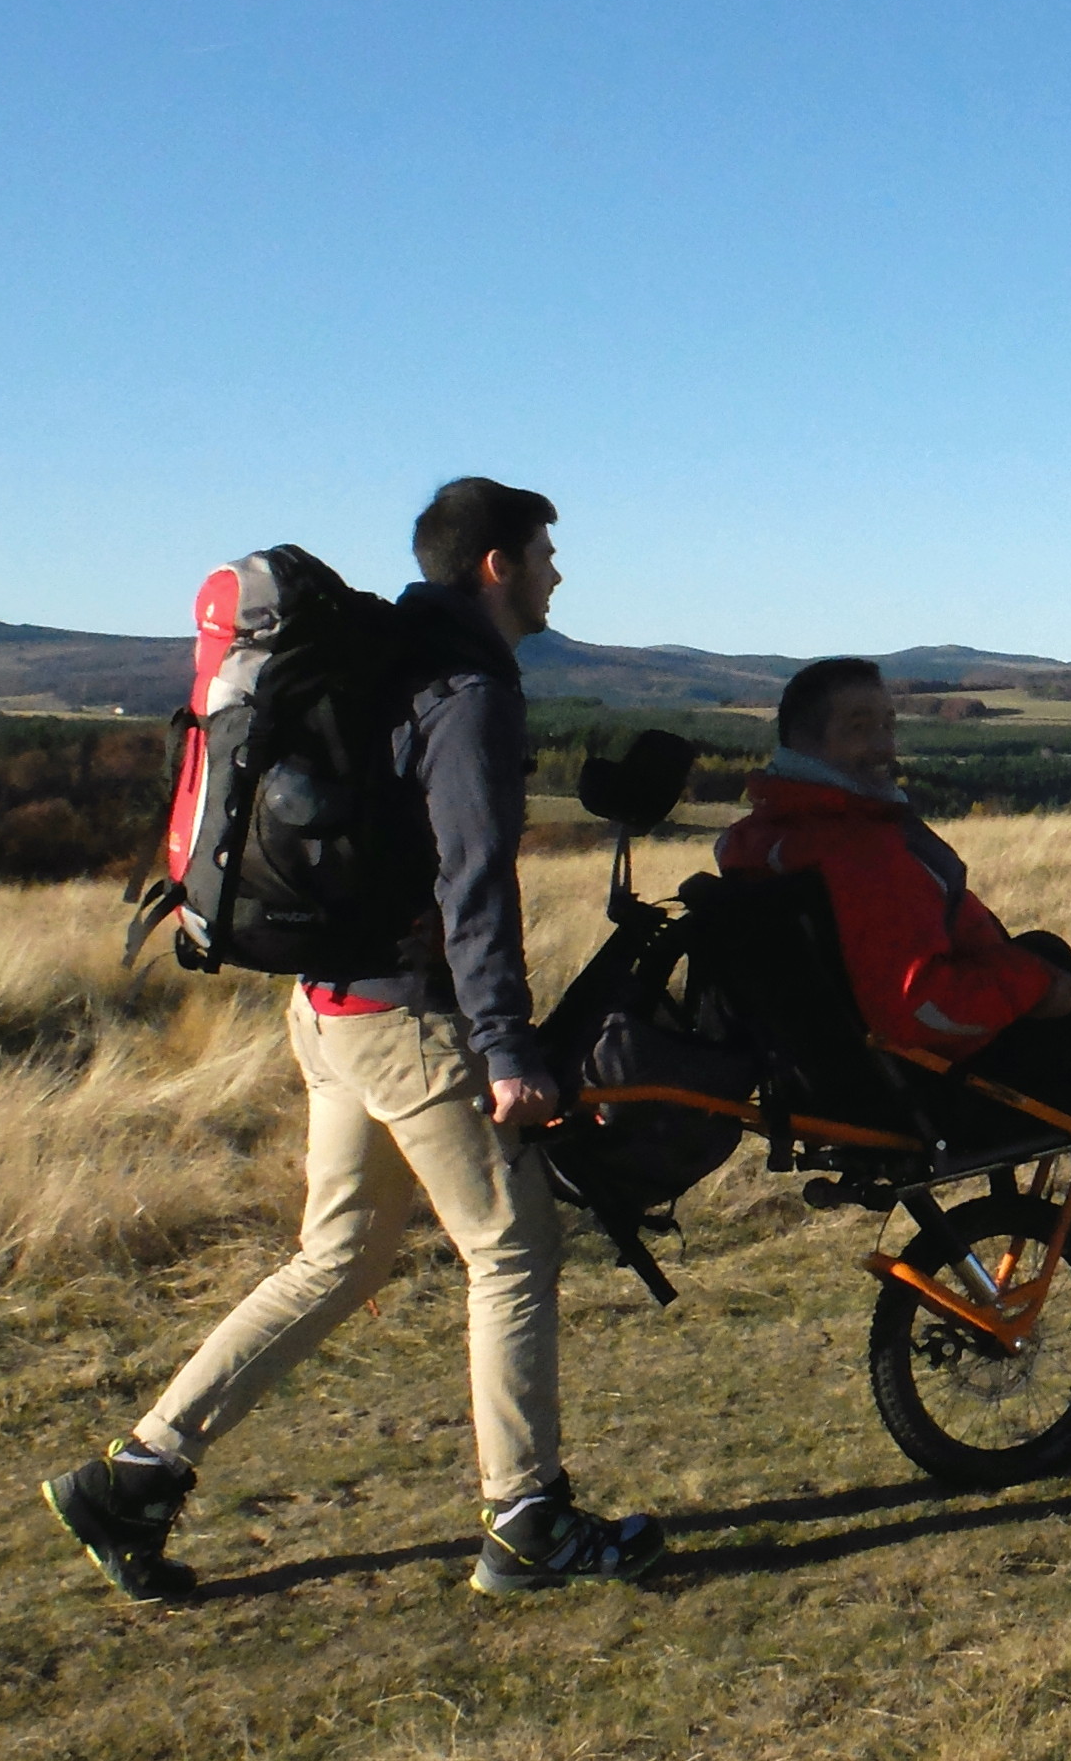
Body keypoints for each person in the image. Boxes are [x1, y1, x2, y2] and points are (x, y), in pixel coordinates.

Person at [42, 478, 663, 1601]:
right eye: (544, 553)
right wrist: (507, 1046)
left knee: (339, 1255)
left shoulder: (382, 660)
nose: (557, 573)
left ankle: (134, 1473)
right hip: (410, 1020)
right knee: (512, 1249)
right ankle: (527, 1515)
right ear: (495, 565)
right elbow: (473, 879)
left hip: (328, 1009)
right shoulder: (466, 689)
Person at [717, 657, 1071, 1231]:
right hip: (943, 1085)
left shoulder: (774, 833)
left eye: (888, 724)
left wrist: (1030, 968)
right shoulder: (858, 851)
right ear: (803, 740)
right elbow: (920, 1007)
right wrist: (1032, 986)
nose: (884, 746)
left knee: (1045, 948)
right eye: (859, 727)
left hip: (872, 1076)